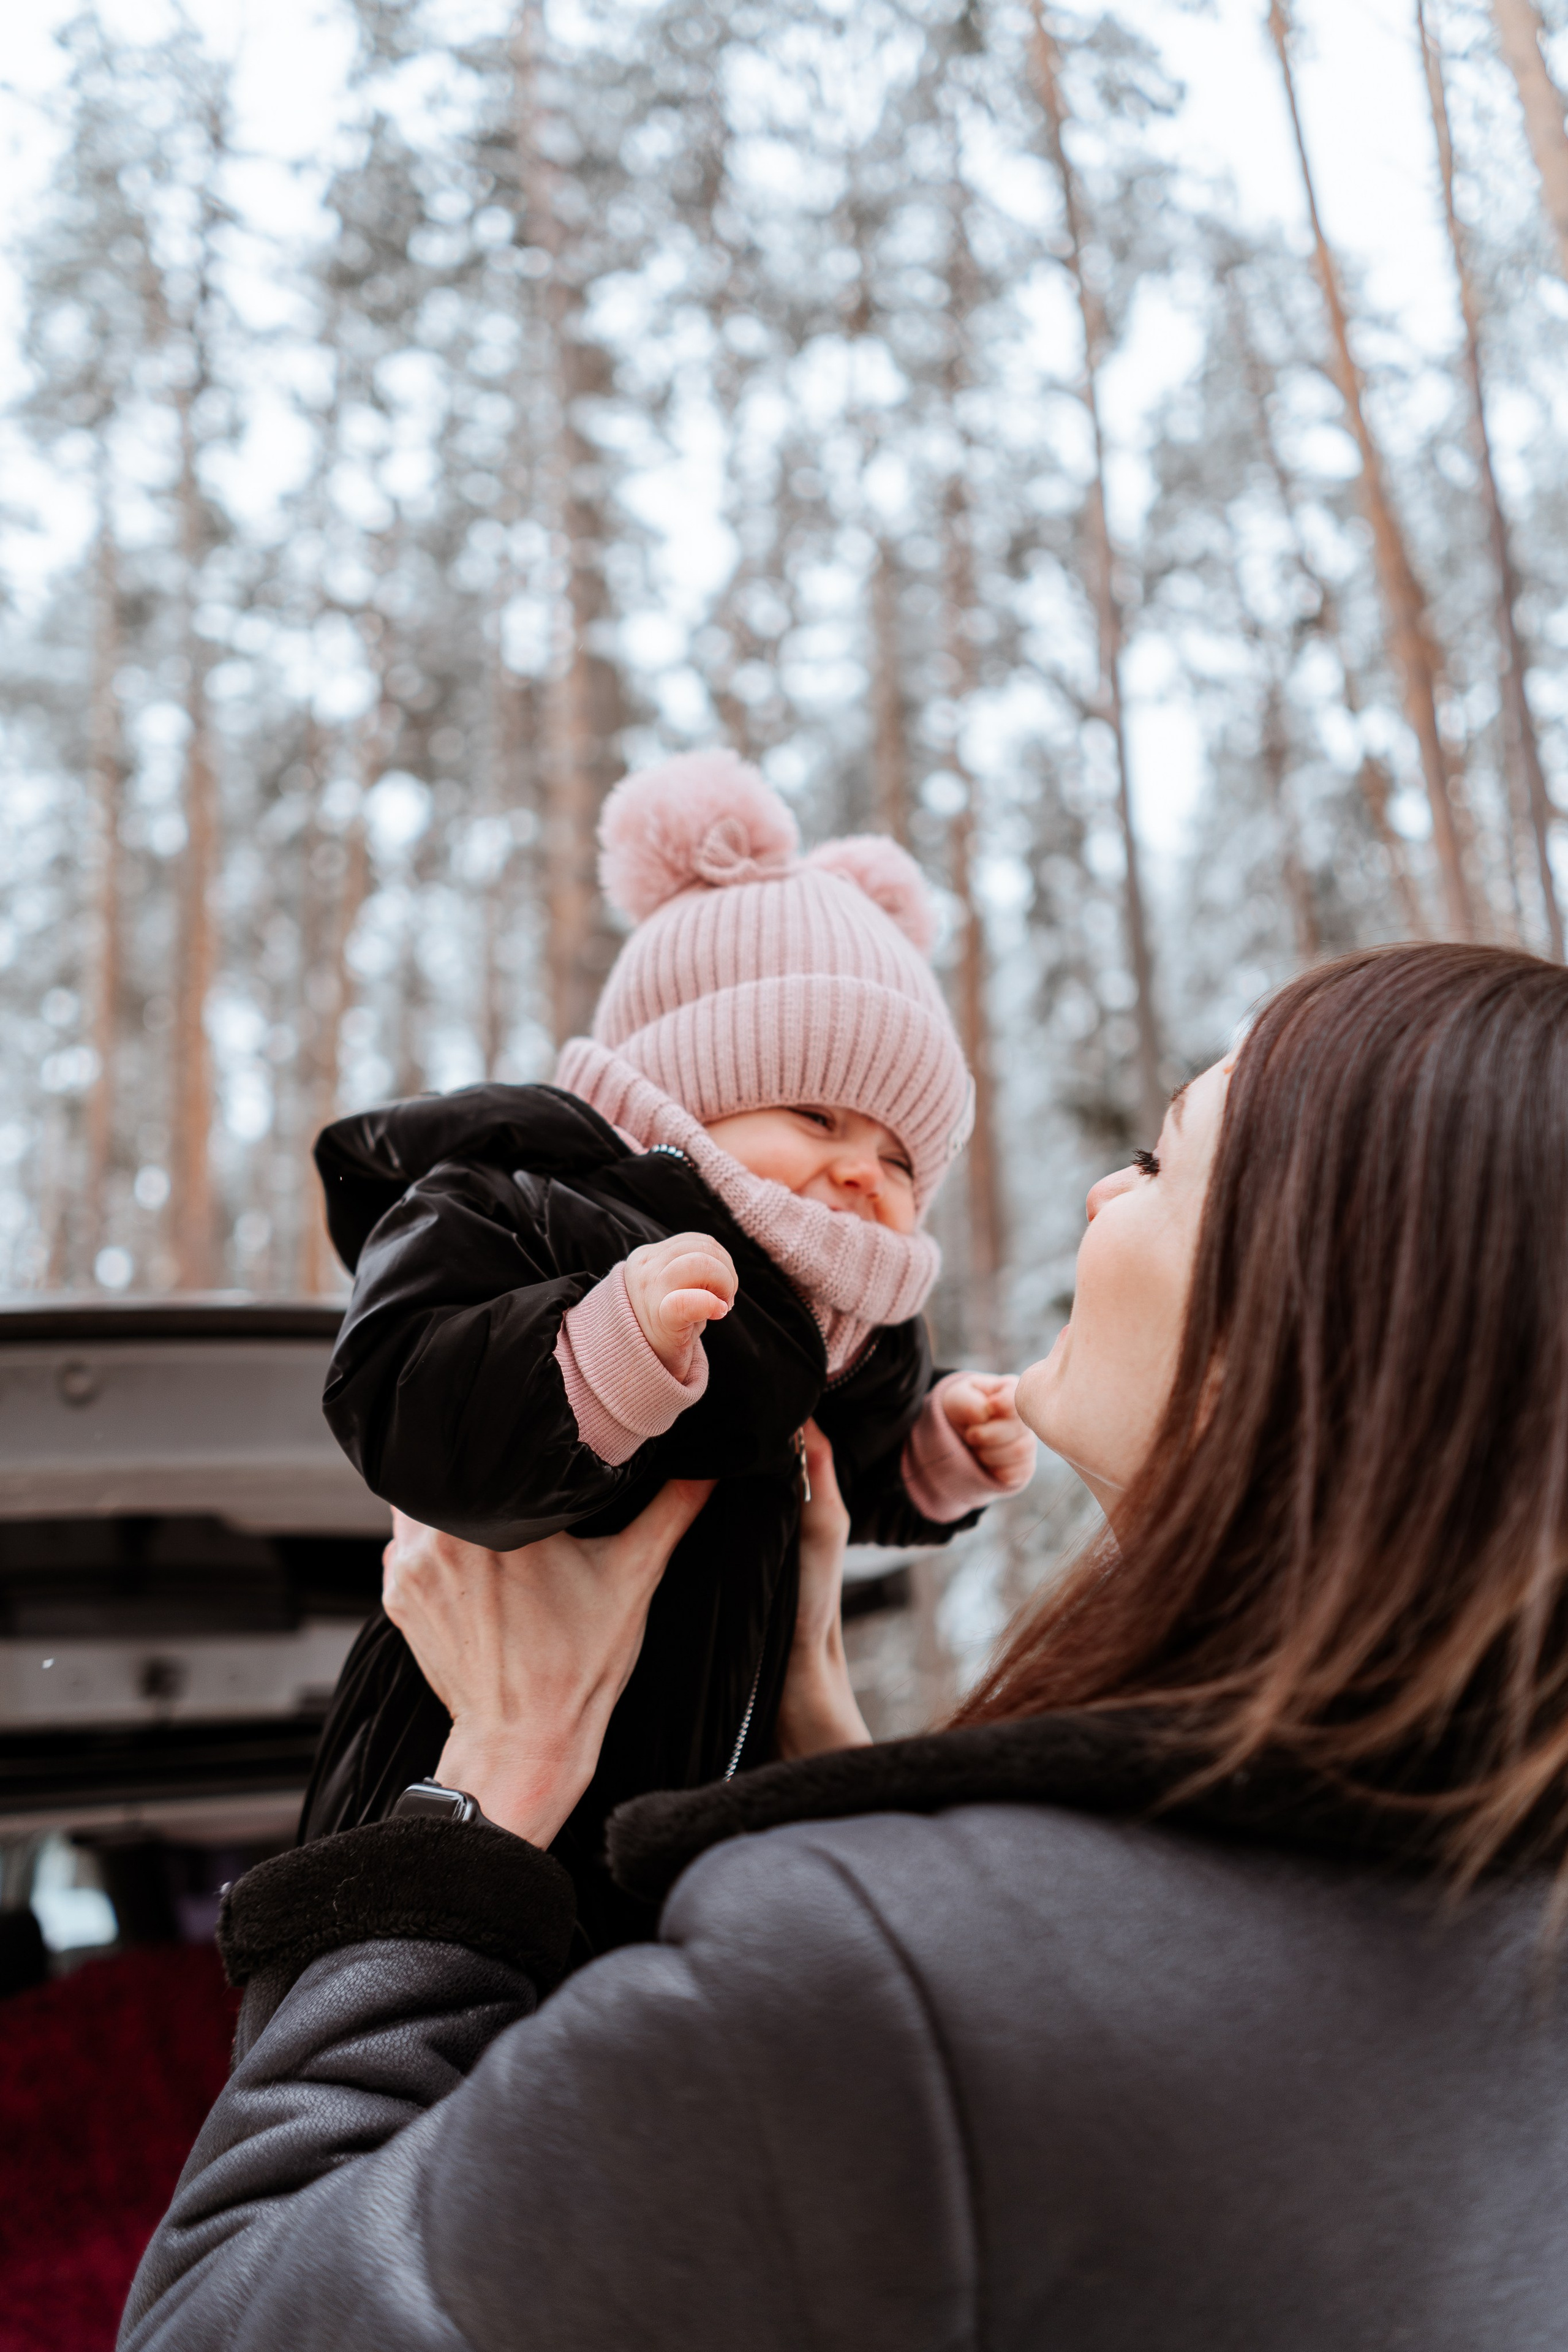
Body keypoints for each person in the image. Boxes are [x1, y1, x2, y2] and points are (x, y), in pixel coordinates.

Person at [123, 943, 1568, 2351]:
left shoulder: (864, 1984)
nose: (1091, 1188)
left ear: (1298, 1315)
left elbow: (225, 2322)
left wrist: (493, 1773)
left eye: (1154, 1161)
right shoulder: (1508, 1921)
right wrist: (824, 1726)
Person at [301, 751, 1034, 1948]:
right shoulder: (537, 1208)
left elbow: (850, 1461)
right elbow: (402, 1396)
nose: (866, 1172)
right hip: (443, 1788)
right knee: (453, 2057)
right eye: (816, 1116)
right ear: (682, 1092)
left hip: (690, 1821)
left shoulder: (845, 1326)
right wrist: (592, 1358)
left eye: (903, 1160)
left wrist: (932, 1452)